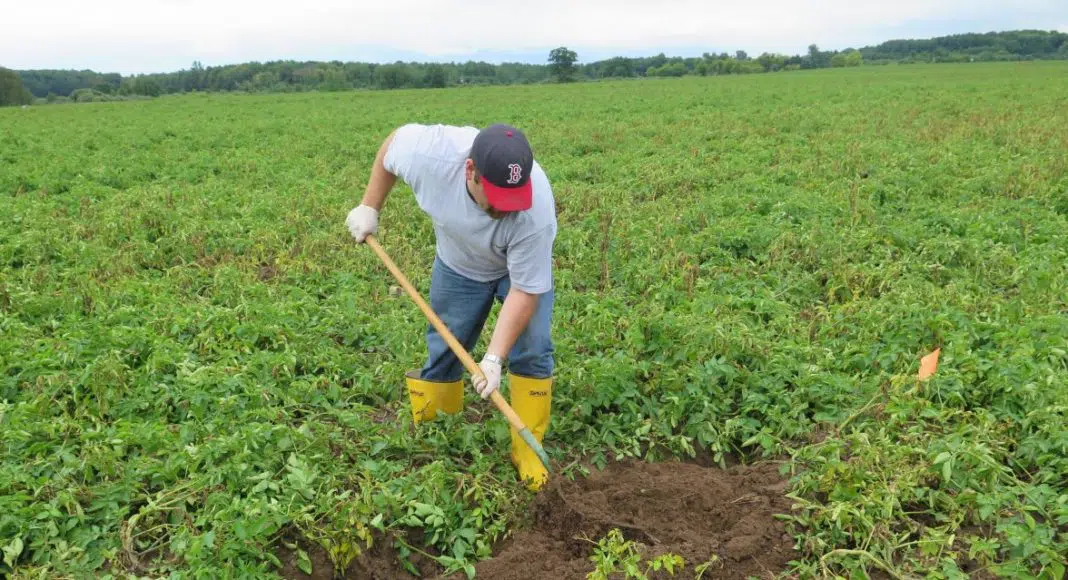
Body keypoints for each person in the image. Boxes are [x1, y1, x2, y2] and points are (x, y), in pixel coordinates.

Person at [345, 122, 557, 490]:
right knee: (446, 344)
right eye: (496, 198)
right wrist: (369, 206)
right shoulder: (429, 154)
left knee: (533, 347)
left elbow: (524, 290)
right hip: (459, 265)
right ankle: (435, 435)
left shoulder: (536, 206)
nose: (505, 209)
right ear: (470, 171)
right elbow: (391, 145)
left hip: (516, 268)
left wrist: (493, 359)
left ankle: (527, 451)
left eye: (512, 199)